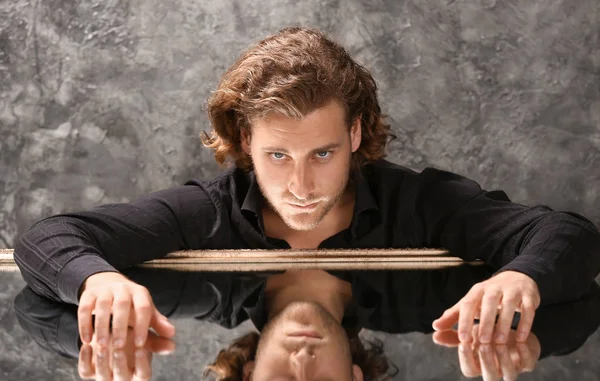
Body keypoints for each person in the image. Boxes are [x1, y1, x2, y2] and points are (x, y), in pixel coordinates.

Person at [13, 26, 600, 380]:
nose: (300, 185)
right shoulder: (211, 211)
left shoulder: (416, 200)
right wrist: (96, 281)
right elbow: (47, 240)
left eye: (320, 154)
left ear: (352, 137)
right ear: (246, 142)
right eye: (277, 156)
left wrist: (523, 275)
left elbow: (570, 235)